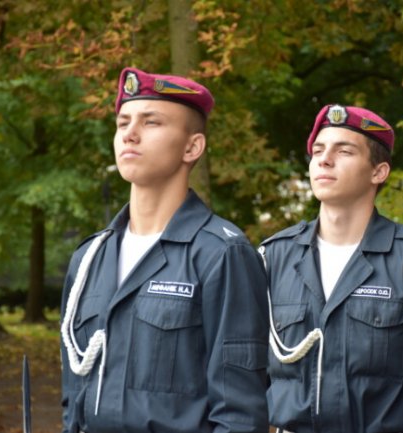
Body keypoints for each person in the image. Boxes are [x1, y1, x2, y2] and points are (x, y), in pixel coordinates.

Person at [59, 67, 269, 433]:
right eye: (123, 123)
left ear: (192, 147)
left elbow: (238, 414)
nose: (130, 134)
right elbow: (73, 399)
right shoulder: (90, 258)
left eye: (151, 122)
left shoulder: (221, 254)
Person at [260, 104, 403, 433]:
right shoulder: (273, 256)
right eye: (318, 151)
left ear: (378, 172)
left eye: (344, 151)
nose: (324, 160)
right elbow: (244, 378)